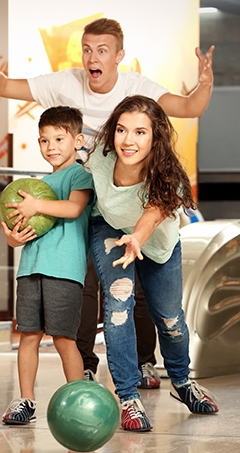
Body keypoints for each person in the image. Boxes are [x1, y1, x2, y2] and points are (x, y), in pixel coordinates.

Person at [0, 17, 215, 388]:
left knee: (143, 289)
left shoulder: (137, 88)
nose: (92, 57)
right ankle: (86, 363)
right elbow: (3, 85)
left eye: (102, 50)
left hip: (130, 198)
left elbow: (190, 107)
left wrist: (206, 82)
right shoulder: (65, 83)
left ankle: (146, 362)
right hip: (87, 197)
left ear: (119, 56)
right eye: (87, 49)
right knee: (86, 285)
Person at [84, 94, 219, 431]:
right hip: (111, 230)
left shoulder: (168, 175)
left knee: (170, 319)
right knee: (117, 307)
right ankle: (129, 397)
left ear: (156, 137)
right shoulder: (100, 159)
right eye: (122, 130)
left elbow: (154, 212)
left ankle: (182, 381)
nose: (128, 140)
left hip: (156, 244)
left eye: (140, 132)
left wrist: (138, 238)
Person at [0, 106, 93, 425]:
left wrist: (36, 205)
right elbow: (21, 234)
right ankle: (26, 400)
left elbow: (73, 207)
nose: (51, 146)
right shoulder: (37, 184)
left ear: (78, 140)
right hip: (30, 269)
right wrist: (12, 238)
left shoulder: (79, 175)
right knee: (28, 335)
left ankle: (78, 399)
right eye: (43, 140)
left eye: (58, 138)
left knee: (64, 338)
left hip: (65, 272)